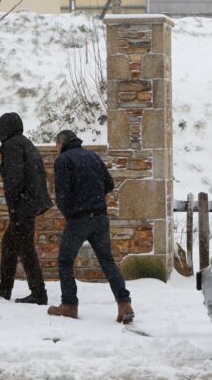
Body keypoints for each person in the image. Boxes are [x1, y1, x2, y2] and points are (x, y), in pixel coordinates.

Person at [47, 130, 134, 323]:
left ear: (61, 143)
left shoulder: (63, 161)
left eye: (56, 145)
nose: (56, 149)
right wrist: (93, 197)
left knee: (65, 260)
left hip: (79, 219)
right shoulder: (93, 157)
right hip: (100, 217)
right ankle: (124, 304)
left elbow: (61, 195)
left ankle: (69, 305)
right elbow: (109, 184)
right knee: (107, 261)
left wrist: (71, 212)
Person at [0, 112, 51, 305]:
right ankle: (5, 286)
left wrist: (13, 206)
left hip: (22, 206)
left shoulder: (12, 145)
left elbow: (14, 178)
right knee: (9, 244)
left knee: (26, 249)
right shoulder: (24, 142)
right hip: (29, 203)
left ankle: (39, 292)